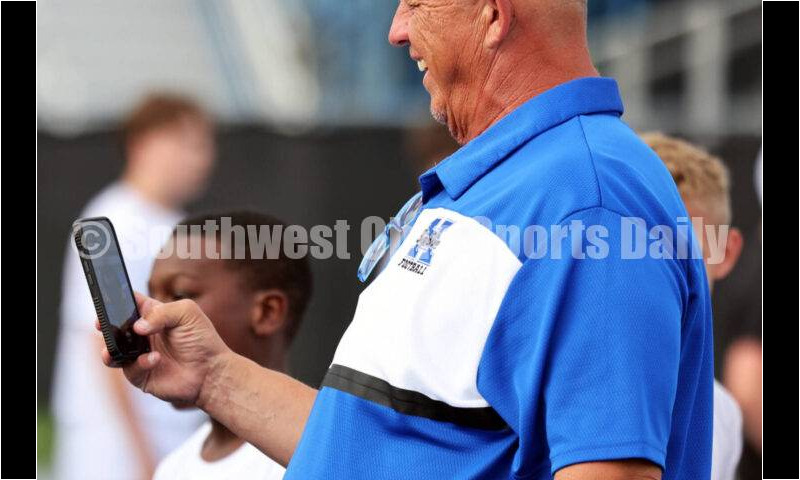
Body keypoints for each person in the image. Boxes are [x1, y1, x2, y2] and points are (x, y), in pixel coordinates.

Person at [103, 2, 715, 479]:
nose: (396, 30)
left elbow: (611, 469)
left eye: (419, 4)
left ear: (493, 15)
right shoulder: (516, 184)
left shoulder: (584, 200)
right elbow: (372, 446)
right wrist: (214, 377)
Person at [53, 94, 215, 480]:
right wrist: (142, 456)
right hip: (113, 445)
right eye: (188, 143)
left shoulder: (177, 223)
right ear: (143, 144)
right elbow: (102, 340)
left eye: (206, 146)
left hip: (171, 434)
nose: (202, 159)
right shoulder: (113, 220)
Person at [151, 211, 312, 480]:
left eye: (179, 295)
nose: (154, 316)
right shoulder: (173, 468)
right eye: (152, 296)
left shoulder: (311, 457)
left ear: (267, 312)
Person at [641, 132, 746, 480]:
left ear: (726, 253)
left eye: (688, 255)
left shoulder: (725, 415)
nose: (667, 275)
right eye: (642, 252)